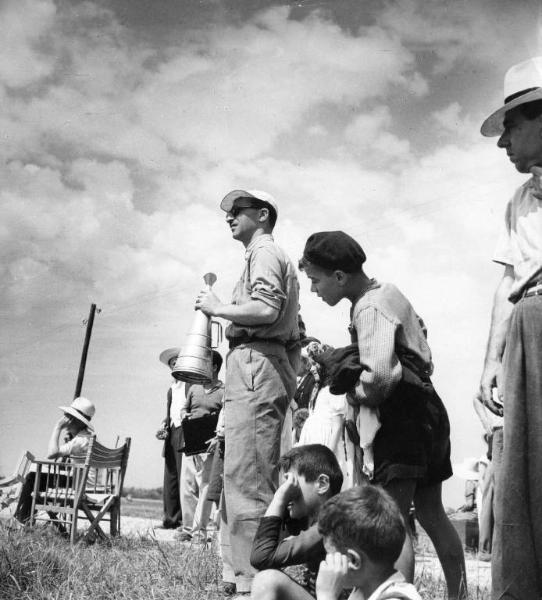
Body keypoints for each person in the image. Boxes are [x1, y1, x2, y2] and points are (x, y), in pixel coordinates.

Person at [299, 231, 466, 599]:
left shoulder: (367, 306)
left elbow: (379, 378)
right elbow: (420, 341)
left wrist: (351, 394)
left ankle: (390, 595)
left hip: (401, 414)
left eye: (315, 280)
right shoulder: (389, 292)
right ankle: (460, 594)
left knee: (391, 518)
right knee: (430, 510)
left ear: (339, 276)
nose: (313, 290)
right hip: (427, 408)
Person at [196, 189, 300, 596]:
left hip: (255, 364)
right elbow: (292, 329)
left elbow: (267, 310)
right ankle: (237, 574)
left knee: (250, 478)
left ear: (262, 214)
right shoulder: (263, 257)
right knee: (240, 474)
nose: (229, 218)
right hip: (255, 364)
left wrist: (218, 308)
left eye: (237, 211)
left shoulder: (266, 253)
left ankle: (254, 583)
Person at [479, 56, 542, 597]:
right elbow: (507, 284)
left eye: (512, 127)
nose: (504, 143)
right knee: (520, 473)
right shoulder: (518, 201)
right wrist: (492, 361)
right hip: (527, 329)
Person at [250, 444, 344, 600]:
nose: (287, 490)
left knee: (266, 581)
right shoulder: (313, 517)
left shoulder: (332, 523)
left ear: (322, 484)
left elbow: (261, 556)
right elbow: (265, 552)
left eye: (292, 482)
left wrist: (279, 499)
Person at [315, 485, 422, 600]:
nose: (325, 562)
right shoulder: (365, 591)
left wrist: (326, 596)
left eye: (329, 554)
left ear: (353, 560)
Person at [14, 397, 96, 525]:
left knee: (33, 477)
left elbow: (51, 454)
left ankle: (22, 520)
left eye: (67, 416)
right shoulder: (85, 438)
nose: (64, 419)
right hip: (85, 484)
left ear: (74, 420)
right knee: (37, 477)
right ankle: (25, 519)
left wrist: (57, 428)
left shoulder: (80, 440)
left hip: (78, 486)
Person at [175, 350, 224, 543]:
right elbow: (184, 409)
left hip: (209, 446)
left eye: (205, 364)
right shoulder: (194, 388)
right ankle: (187, 528)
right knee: (186, 488)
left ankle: (199, 532)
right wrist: (184, 414)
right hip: (190, 444)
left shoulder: (223, 391)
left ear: (214, 367)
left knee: (205, 487)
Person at [157, 347, 184, 530]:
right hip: (172, 432)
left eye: (177, 364)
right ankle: (169, 519)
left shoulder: (190, 385)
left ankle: (183, 520)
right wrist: (164, 425)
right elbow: (170, 412)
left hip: (185, 431)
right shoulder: (171, 389)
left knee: (184, 477)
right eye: (172, 365)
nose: (174, 368)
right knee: (171, 476)